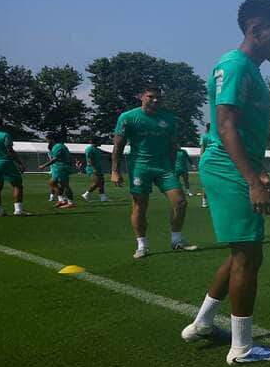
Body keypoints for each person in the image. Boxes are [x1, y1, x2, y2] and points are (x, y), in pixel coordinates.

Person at [180, 0, 270, 364]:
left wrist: (259, 171)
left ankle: (201, 323)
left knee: (242, 250)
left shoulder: (251, 70)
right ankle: (242, 348)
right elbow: (225, 125)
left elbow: (240, 130)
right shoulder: (235, 65)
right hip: (228, 167)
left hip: (237, 165)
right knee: (249, 254)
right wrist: (251, 180)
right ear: (256, 30)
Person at [112, 85, 197, 258]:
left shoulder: (169, 119)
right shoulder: (128, 117)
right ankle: (142, 245)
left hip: (164, 167)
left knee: (180, 202)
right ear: (141, 97)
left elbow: (172, 145)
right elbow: (118, 145)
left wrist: (172, 167)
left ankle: (176, 240)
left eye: (158, 97)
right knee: (140, 206)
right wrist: (115, 171)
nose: (155, 100)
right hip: (140, 167)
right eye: (151, 96)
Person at [0, 119, 30, 216]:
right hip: (4, 161)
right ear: (1, 125)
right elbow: (10, 150)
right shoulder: (4, 135)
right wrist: (19, 163)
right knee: (17, 185)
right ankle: (18, 210)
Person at [38, 133, 75, 208]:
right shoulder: (58, 146)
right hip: (58, 168)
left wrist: (44, 165)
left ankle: (69, 202)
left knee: (63, 185)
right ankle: (62, 200)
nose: (47, 141)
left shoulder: (58, 146)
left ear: (52, 139)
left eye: (47, 140)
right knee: (57, 184)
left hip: (61, 168)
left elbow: (55, 158)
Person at [80, 137, 111, 202]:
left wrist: (111, 153)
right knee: (97, 183)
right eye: (100, 141)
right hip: (92, 169)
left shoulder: (96, 149)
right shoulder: (89, 149)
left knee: (101, 183)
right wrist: (94, 169)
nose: (101, 142)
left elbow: (103, 152)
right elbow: (89, 160)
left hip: (98, 168)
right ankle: (86, 194)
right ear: (96, 142)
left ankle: (103, 198)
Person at [198, 123, 212, 207]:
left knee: (205, 182)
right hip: (215, 161)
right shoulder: (216, 136)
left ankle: (204, 201)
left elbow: (202, 150)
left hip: (206, 160)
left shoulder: (204, 136)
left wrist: (201, 161)